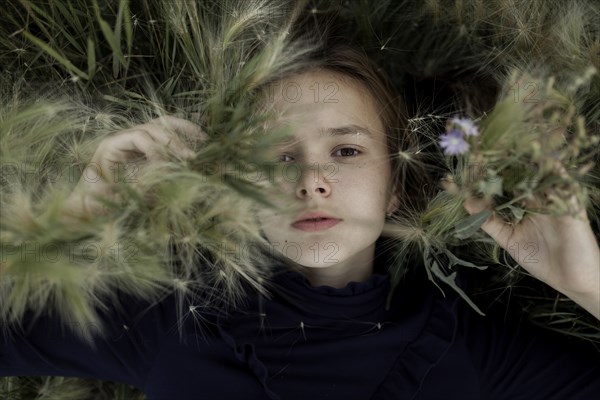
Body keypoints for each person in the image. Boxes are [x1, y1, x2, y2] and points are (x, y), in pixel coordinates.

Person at [2, 42, 600, 399]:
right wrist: (80, 215)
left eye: (346, 151)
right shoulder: (169, 318)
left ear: (396, 186)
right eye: (276, 155)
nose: (311, 180)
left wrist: (586, 283)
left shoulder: (467, 344)